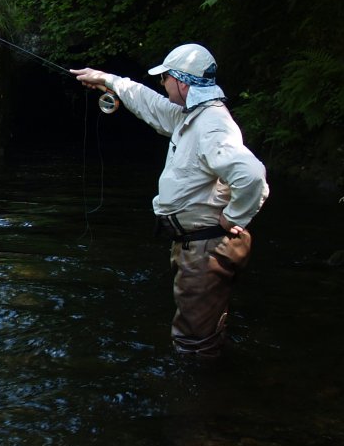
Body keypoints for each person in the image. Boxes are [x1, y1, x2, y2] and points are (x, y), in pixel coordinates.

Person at [71, 44, 269, 355]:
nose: (161, 84)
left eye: (165, 78)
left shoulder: (210, 125)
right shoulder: (192, 115)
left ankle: (200, 399)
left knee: (194, 344)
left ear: (182, 82)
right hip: (200, 246)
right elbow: (150, 104)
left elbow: (252, 175)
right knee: (204, 331)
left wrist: (234, 217)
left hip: (207, 248)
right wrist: (108, 80)